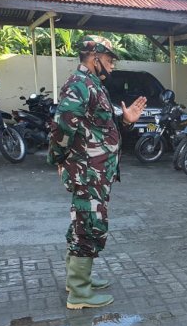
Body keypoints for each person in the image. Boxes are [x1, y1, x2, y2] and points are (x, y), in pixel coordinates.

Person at [48, 35, 146, 309]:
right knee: (90, 225)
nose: (113, 66)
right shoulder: (79, 85)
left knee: (84, 222)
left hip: (97, 170)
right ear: (94, 58)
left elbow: (100, 129)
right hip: (87, 170)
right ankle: (79, 292)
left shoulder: (92, 85)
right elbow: (63, 128)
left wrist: (125, 122)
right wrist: (58, 159)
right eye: (110, 60)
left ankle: (78, 279)